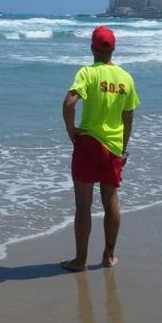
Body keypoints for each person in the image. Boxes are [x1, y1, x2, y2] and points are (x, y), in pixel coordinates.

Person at [61, 26, 139, 272]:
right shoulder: (126, 78)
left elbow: (69, 103)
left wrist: (71, 130)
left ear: (92, 48)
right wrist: (122, 148)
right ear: (113, 49)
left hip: (88, 145)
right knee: (111, 202)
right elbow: (128, 118)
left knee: (83, 205)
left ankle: (80, 260)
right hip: (113, 147)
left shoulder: (87, 73)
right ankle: (109, 256)